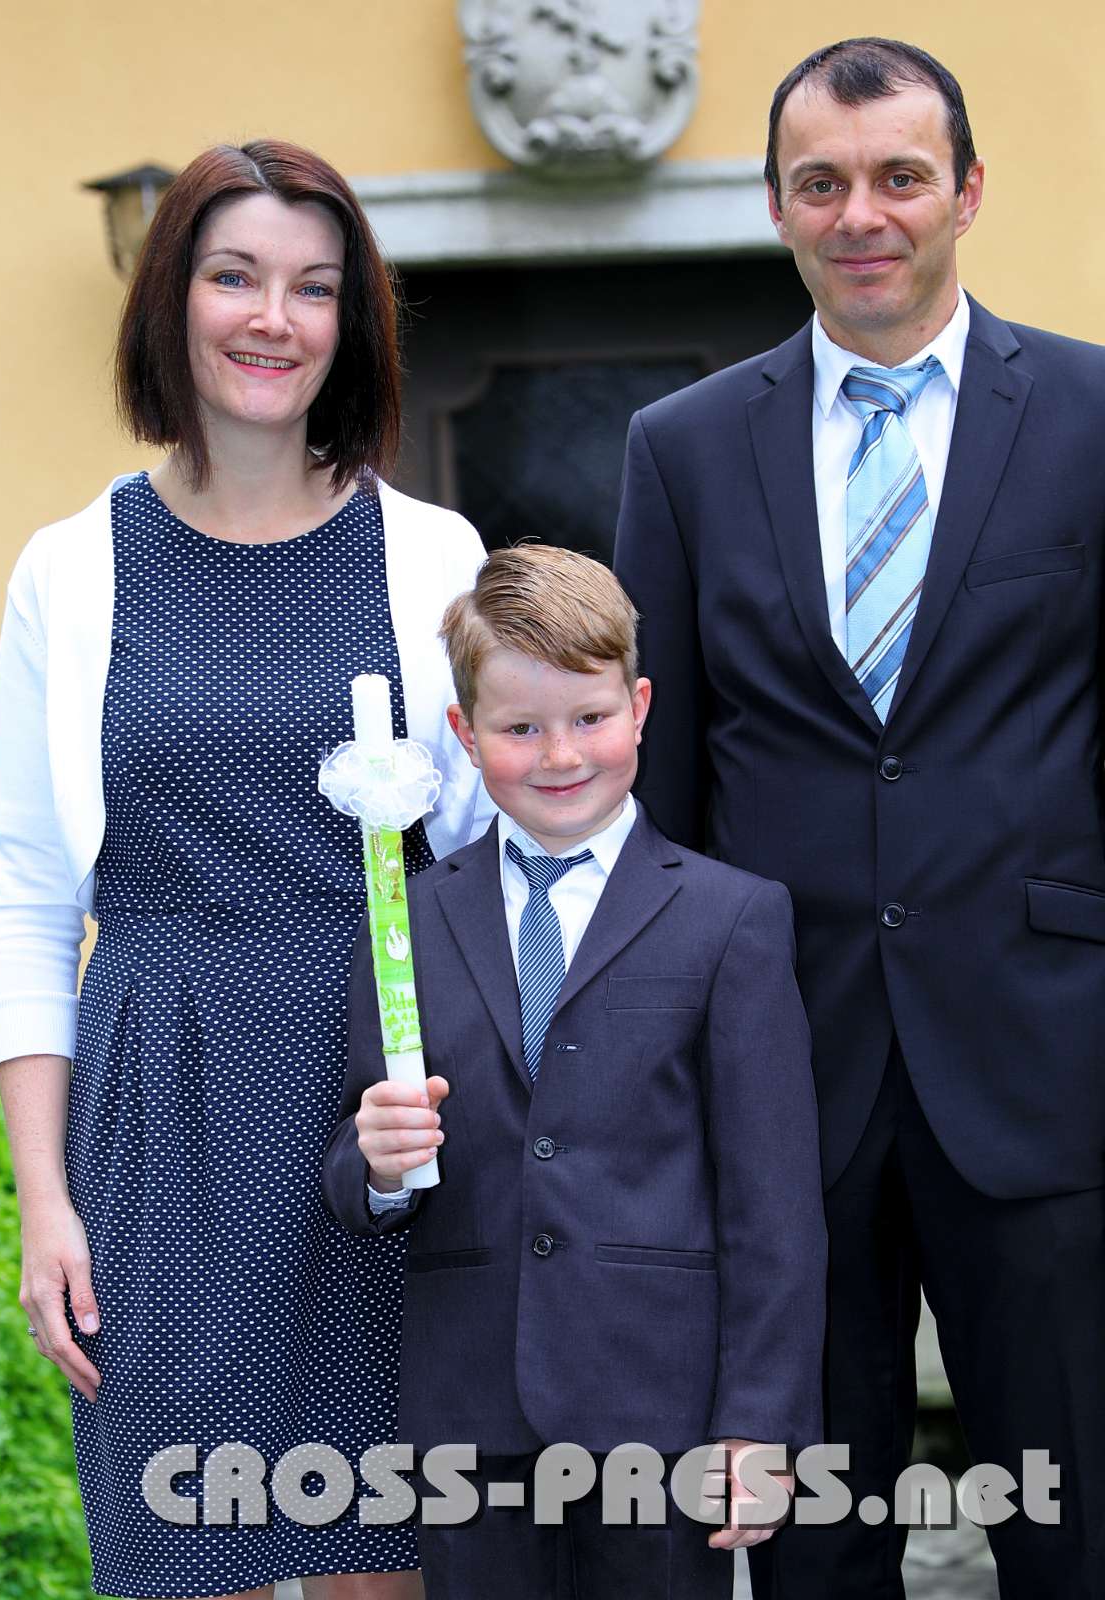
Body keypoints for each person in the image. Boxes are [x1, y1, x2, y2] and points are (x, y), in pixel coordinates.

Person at [613, 36, 1105, 1600]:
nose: (861, 215)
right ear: (775, 206)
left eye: (900, 176)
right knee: (817, 1545)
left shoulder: (1094, 412)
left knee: (1079, 1528)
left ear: (968, 191)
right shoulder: (683, 449)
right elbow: (661, 789)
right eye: (819, 183)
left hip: (1049, 1064)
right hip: (784, 1077)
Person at [0, 140, 494, 1600]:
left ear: (353, 323)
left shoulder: (434, 557)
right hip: (160, 1126)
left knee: (382, 1561)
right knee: (181, 1556)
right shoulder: (71, 570)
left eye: (315, 288)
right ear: (172, 298)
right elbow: (28, 899)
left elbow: (485, 867)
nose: (275, 318)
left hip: (376, 1122)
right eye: (236, 277)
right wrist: (42, 1201)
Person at [320, 545, 827, 1600]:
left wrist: (760, 1421)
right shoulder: (405, 923)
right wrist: (377, 1164)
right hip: (472, 1415)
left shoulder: (730, 917)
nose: (560, 755)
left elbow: (774, 1204)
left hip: (665, 1413)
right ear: (465, 736)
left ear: (638, 708)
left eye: (589, 718)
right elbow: (361, 1171)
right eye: (519, 729)